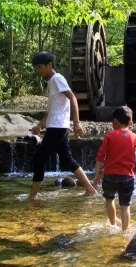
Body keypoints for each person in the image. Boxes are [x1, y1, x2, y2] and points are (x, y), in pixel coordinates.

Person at [29, 51, 97, 200]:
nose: (38, 70)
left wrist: (77, 123)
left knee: (39, 160)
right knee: (67, 160)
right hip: (56, 126)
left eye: (40, 66)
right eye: (36, 67)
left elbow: (72, 97)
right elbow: (52, 111)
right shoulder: (51, 82)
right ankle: (90, 189)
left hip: (58, 128)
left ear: (49, 65)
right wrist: (40, 125)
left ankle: (32, 196)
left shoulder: (57, 79)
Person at [93, 106, 136, 231]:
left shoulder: (109, 136)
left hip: (109, 176)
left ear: (115, 122)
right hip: (127, 177)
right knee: (125, 207)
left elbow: (100, 157)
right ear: (131, 123)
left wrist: (97, 175)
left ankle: (113, 226)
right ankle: (125, 231)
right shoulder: (135, 137)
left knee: (109, 200)